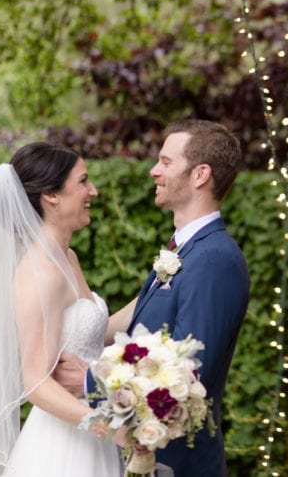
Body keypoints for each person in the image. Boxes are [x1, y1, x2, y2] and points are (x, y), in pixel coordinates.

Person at [58, 119, 251, 476]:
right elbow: (136, 327)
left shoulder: (214, 260)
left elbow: (191, 370)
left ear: (200, 175)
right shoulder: (183, 250)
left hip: (179, 464)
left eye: (166, 161)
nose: (154, 171)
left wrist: (89, 382)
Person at [0, 143, 128, 476]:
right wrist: (111, 429)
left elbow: (89, 333)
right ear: (52, 195)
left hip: (91, 433)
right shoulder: (41, 272)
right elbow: (36, 383)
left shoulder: (66, 258)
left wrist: (161, 285)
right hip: (65, 446)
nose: (94, 191)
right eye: (83, 181)